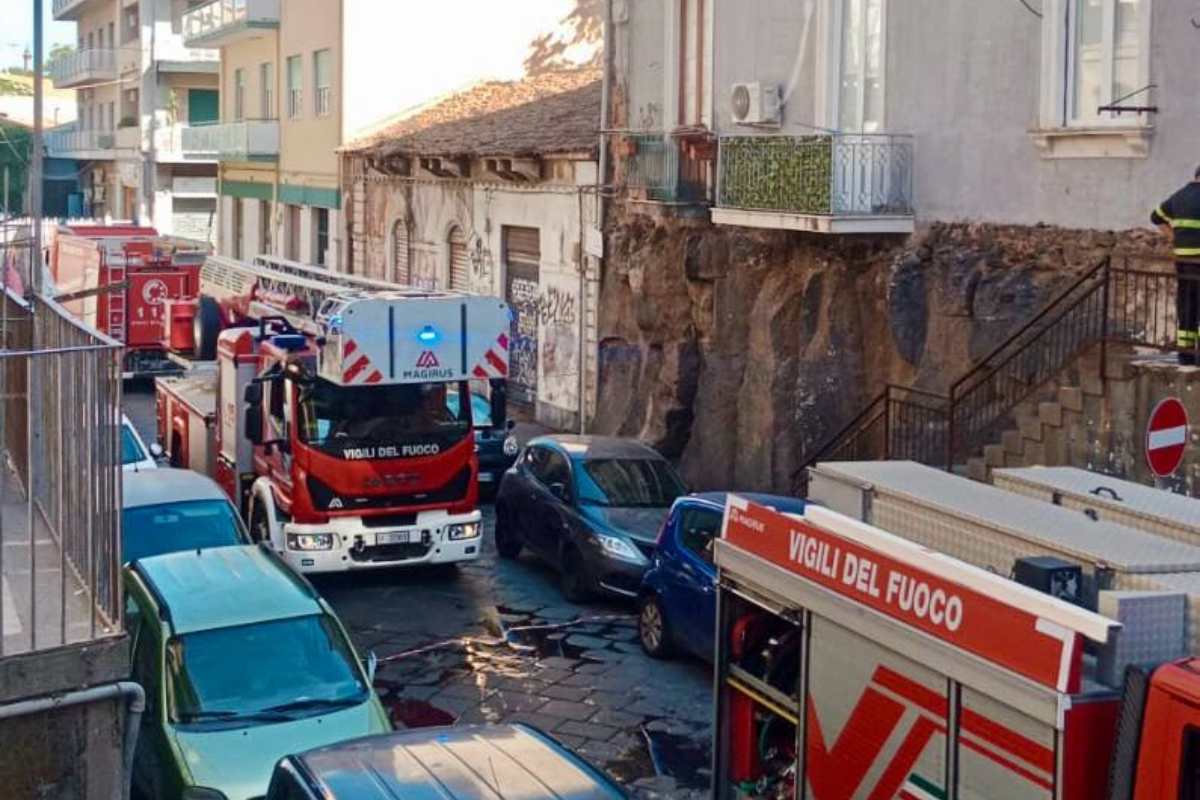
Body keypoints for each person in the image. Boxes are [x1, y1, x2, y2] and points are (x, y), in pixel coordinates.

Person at [1152, 167, 1200, 365]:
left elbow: (1156, 217)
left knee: (1187, 304)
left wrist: (1174, 237)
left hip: (1183, 260)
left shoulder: (1179, 196)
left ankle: (1185, 354)